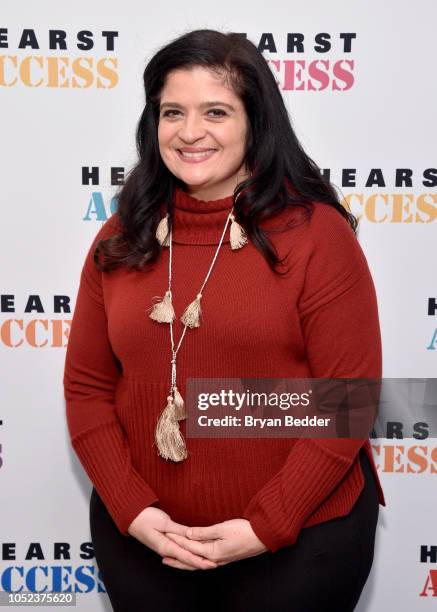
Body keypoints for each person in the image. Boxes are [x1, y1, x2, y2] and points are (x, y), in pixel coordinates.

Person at [63, 28, 386, 611]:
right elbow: (87, 389)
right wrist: (131, 509)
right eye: (172, 112)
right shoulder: (119, 237)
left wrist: (267, 524)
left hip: (300, 542)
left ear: (255, 122)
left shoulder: (316, 235)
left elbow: (347, 400)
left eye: (216, 111)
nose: (190, 132)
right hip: (146, 540)